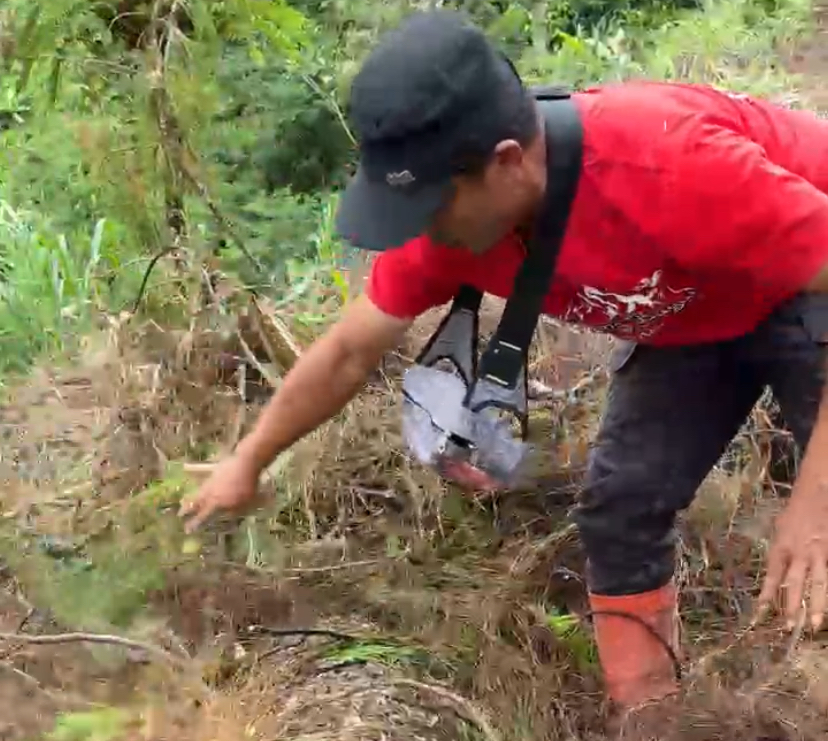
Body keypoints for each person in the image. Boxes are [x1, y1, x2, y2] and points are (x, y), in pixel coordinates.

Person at [179, 7, 828, 721]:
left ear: (508, 161)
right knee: (618, 510)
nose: (421, 229)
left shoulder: (669, 167)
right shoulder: (456, 225)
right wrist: (249, 459)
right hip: (697, 317)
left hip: (808, 284)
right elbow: (348, 351)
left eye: (431, 204)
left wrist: (813, 500)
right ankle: (654, 721)